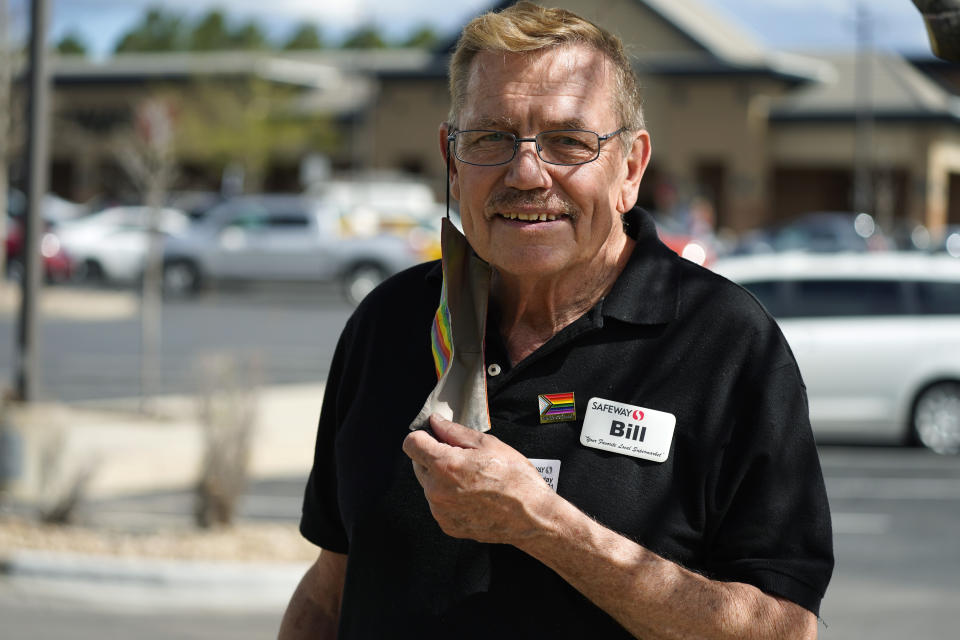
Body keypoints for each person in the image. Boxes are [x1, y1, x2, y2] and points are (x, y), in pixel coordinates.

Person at [278, 3, 833, 638]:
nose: (525, 172)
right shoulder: (390, 321)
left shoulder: (726, 344)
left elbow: (784, 629)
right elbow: (331, 586)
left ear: (629, 168)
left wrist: (540, 522)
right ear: (452, 160)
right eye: (490, 138)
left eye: (568, 141)